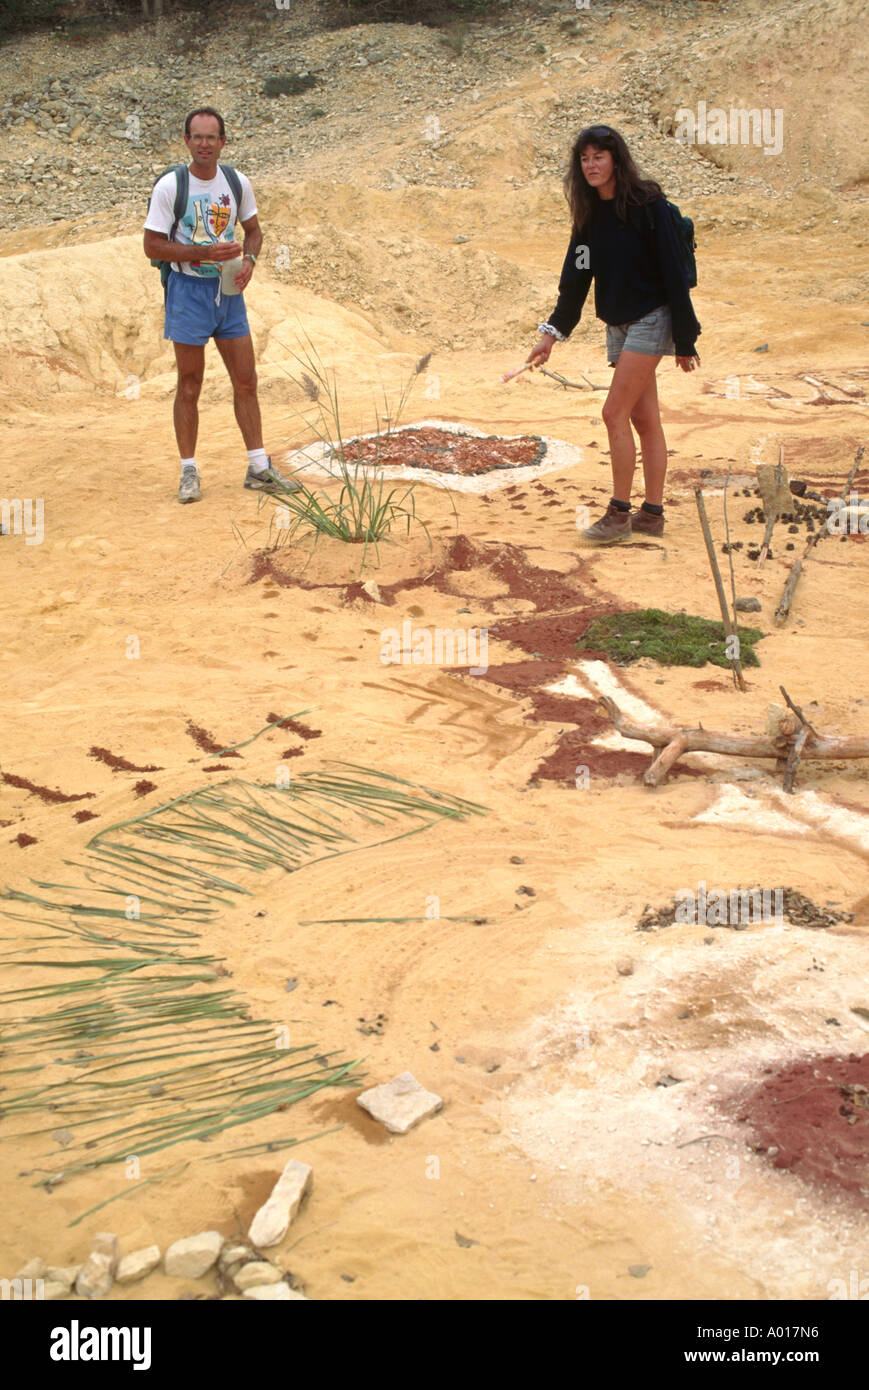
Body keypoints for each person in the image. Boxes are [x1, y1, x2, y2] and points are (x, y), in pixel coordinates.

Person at [527, 124, 701, 545]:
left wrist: (684, 337)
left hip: (651, 319)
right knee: (644, 418)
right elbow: (577, 278)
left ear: (615, 160)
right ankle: (653, 514)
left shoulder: (649, 207)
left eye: (598, 157)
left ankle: (619, 513)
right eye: (584, 159)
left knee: (612, 413)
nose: (590, 165)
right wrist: (551, 334)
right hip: (618, 325)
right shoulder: (590, 218)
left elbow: (675, 272)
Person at [143, 107, 300, 504]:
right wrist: (204, 252)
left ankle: (259, 467)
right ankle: (189, 470)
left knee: (246, 380)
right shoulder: (170, 187)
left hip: (229, 293)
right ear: (186, 141)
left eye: (212, 137)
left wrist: (249, 261)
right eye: (197, 137)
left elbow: (254, 231)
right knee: (190, 383)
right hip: (188, 291)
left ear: (223, 142)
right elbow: (152, 244)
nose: (204, 144)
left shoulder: (236, 182)